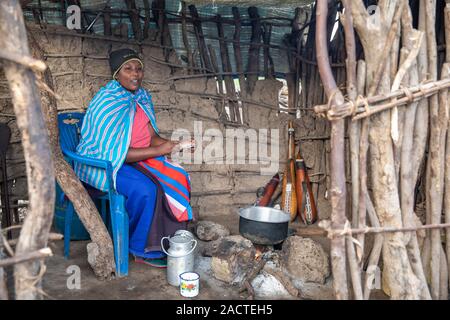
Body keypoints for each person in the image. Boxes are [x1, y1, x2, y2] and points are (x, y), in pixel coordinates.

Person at [75, 48, 193, 268]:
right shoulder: (108, 101)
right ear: (116, 74)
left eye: (138, 69)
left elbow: (151, 137)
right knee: (146, 190)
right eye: (128, 69)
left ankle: (170, 242)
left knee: (178, 177)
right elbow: (115, 154)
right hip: (104, 164)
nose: (135, 74)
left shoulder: (140, 97)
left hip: (135, 159)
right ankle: (141, 249)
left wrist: (174, 145)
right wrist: (161, 150)